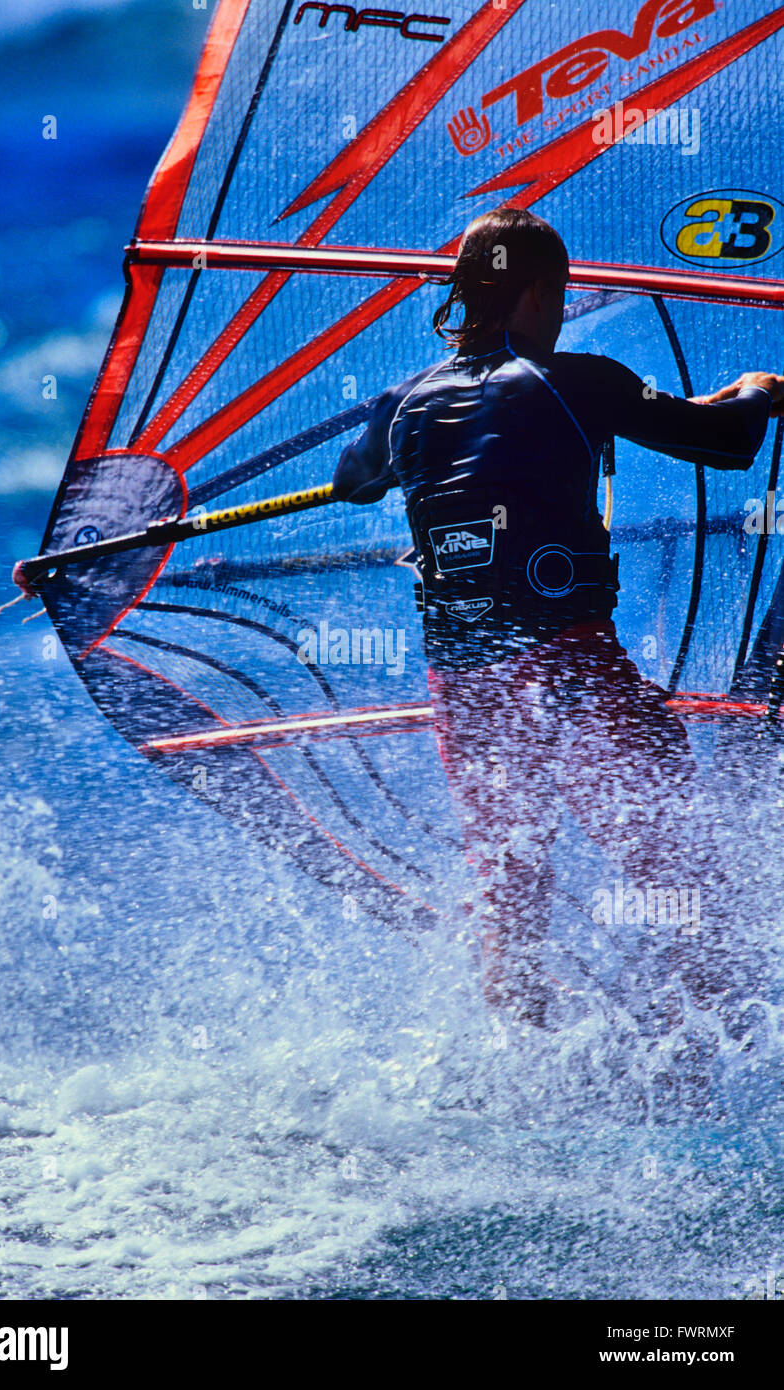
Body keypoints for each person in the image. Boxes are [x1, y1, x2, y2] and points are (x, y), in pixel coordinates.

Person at [332, 208, 784, 1026]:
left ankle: (524, 1074)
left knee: (512, 897)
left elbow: (352, 483)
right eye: (562, 294)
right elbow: (725, 444)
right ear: (539, 293)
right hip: (566, 671)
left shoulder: (400, 405)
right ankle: (708, 1057)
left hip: (467, 690)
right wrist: (755, 392)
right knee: (681, 878)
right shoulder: (577, 381)